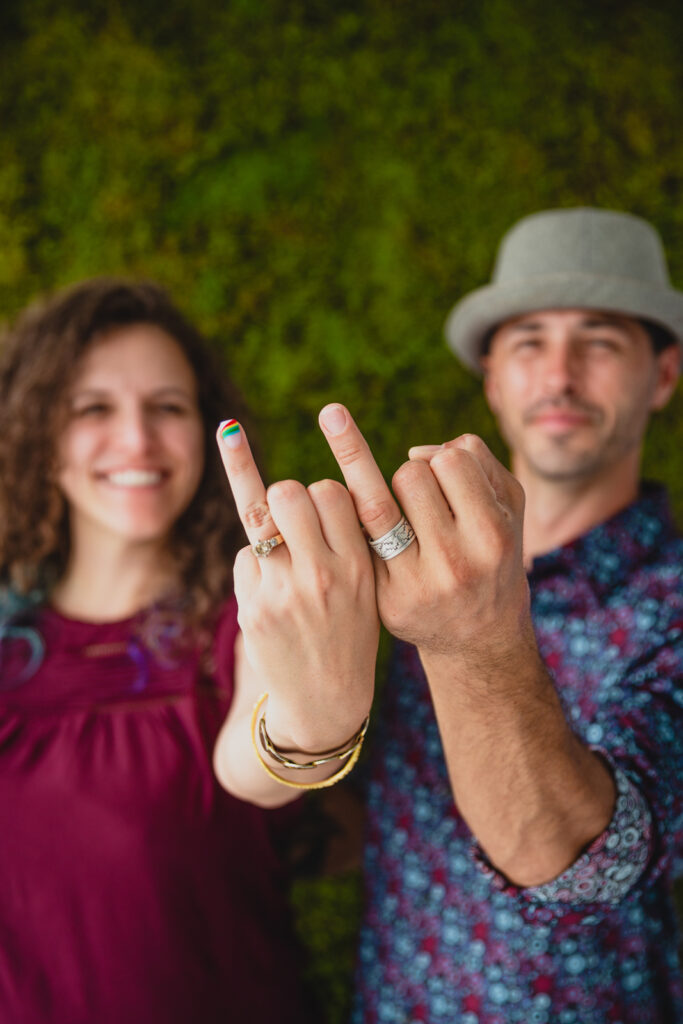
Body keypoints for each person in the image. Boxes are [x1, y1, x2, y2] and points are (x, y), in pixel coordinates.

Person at [214, 207, 683, 1023]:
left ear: (664, 376)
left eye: (600, 341)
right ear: (493, 377)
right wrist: (302, 725)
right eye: (529, 343)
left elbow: (581, 864)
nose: (560, 374)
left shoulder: (669, 599)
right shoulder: (401, 569)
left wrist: (471, 635)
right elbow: (281, 758)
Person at [0, 278, 316, 1024]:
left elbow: (266, 765)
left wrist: (309, 722)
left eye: (168, 407)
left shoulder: (250, 618)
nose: (137, 440)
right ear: (39, 432)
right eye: (94, 408)